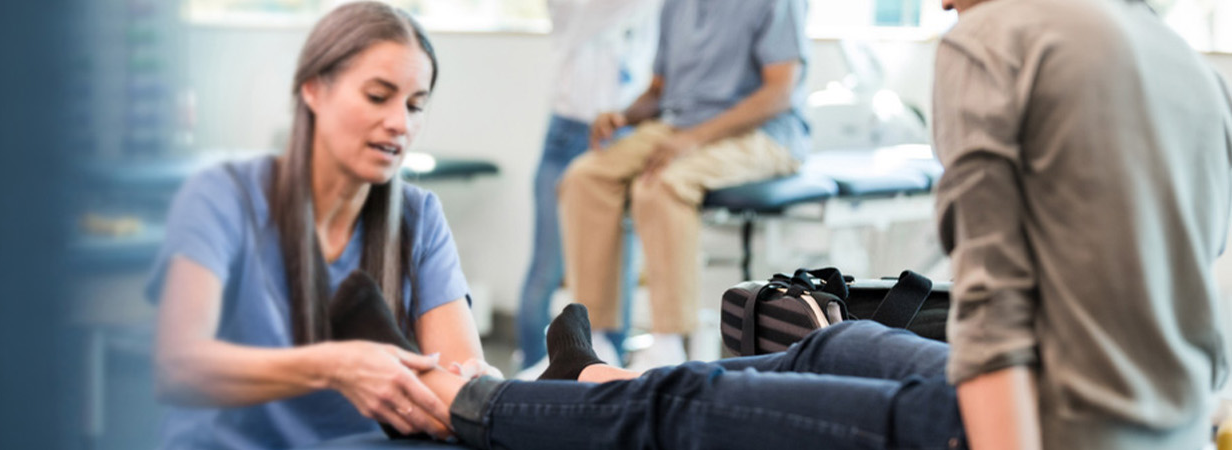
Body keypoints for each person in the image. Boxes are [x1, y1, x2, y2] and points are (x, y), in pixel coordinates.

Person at [328, 0, 1232, 447]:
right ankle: (589, 374)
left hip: (1023, 429)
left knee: (687, 404)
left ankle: (464, 407)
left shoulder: (994, 42)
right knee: (836, 347)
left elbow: (994, 318)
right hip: (1151, 423)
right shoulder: (1179, 57)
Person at [145, 3, 492, 448]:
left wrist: (478, 392)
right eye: (377, 96)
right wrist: (335, 365)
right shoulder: (223, 196)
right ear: (313, 89)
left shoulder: (418, 216)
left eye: (415, 105)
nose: (400, 123)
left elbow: (456, 402)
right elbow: (176, 367)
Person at [932, 0, 1232, 447]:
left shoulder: (988, 38)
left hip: (1054, 427)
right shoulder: (1196, 70)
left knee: (804, 372)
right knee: (852, 344)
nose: (943, 4)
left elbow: (992, 317)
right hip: (1181, 430)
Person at [557, 0, 811, 371]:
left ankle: (668, 345)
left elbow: (779, 92)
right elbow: (660, 91)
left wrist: (694, 139)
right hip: (680, 125)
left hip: (763, 134)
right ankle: (594, 342)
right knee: (585, 177)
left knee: (661, 184)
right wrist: (623, 115)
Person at [514, 0, 660, 377]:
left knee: (617, 269)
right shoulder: (579, 9)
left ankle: (610, 373)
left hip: (623, 131)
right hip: (568, 133)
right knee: (547, 269)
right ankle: (531, 371)